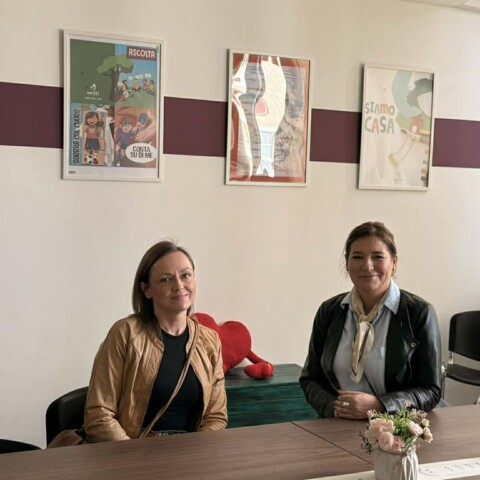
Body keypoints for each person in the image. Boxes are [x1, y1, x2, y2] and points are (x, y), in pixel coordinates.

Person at [84, 240, 227, 442]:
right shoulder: (125, 334)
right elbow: (99, 414)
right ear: (147, 290)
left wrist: (196, 454)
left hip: (190, 454)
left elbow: (216, 417)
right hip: (132, 452)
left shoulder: (209, 341)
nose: (179, 285)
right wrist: (134, 456)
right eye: (165, 279)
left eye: (186, 275)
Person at [300, 221, 441, 420]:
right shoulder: (329, 311)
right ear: (347, 263)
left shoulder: (419, 313)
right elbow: (311, 379)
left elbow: (431, 390)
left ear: (394, 262)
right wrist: (335, 409)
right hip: (337, 424)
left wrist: (380, 405)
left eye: (378, 257)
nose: (367, 265)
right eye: (358, 257)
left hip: (397, 426)